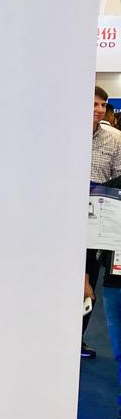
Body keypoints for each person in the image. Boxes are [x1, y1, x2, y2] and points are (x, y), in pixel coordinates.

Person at [85, 86, 121, 357]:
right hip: (65, 218)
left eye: (102, 105)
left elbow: (119, 178)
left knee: (91, 279)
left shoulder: (115, 139)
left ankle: (78, 337)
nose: (99, 109)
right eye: (94, 104)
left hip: (98, 219)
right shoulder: (66, 134)